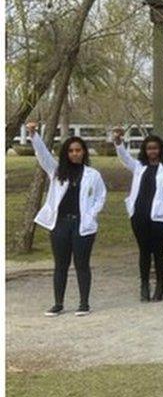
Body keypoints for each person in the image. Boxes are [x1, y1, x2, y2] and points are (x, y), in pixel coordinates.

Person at [27, 122, 107, 317]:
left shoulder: (93, 175)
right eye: (71, 151)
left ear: (84, 152)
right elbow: (43, 155)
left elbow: (101, 196)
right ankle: (58, 303)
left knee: (82, 264)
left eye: (78, 150)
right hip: (60, 224)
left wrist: (91, 214)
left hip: (83, 224)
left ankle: (84, 303)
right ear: (66, 153)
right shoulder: (56, 171)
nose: (75, 154)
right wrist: (33, 135)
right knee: (60, 265)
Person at [113, 130, 163, 302]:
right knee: (144, 251)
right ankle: (144, 284)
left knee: (158, 251)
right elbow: (124, 157)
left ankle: (160, 285)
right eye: (149, 148)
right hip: (139, 214)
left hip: (160, 217)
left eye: (156, 148)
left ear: (161, 150)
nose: (152, 151)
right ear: (145, 150)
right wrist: (118, 142)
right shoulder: (138, 166)